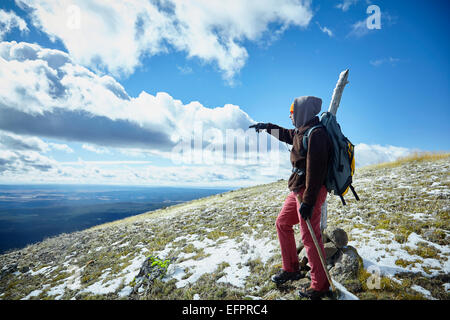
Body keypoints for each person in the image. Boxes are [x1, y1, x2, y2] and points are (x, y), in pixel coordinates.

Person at [249, 96, 332, 300]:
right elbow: (287, 134)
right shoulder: (302, 131)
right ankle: (291, 268)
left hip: (309, 192)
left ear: (302, 112)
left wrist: (309, 202)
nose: (290, 115)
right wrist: (267, 126)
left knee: (309, 237)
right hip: (298, 189)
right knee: (282, 223)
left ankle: (320, 285)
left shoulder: (317, 134)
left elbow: (316, 171)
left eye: (292, 112)